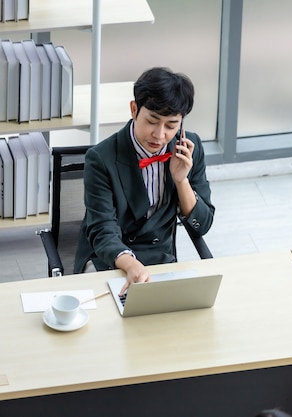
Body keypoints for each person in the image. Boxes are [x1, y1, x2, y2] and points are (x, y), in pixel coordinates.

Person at [74, 67, 215, 293]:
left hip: (160, 260)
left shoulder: (189, 148)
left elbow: (203, 225)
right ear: (134, 109)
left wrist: (181, 181)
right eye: (152, 121)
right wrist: (131, 264)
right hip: (110, 259)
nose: (160, 135)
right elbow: (102, 230)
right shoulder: (101, 158)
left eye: (171, 125)